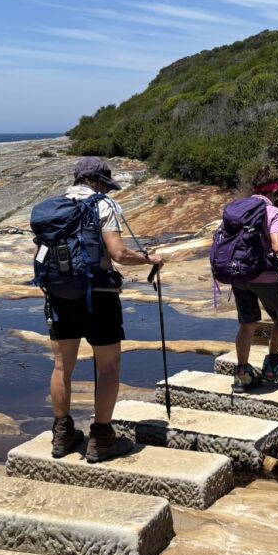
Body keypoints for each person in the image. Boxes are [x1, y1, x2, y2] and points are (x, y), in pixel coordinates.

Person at [38, 157, 163, 463]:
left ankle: (63, 433)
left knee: (61, 366)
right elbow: (118, 253)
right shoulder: (103, 205)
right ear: (97, 181)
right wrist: (149, 260)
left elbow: (41, 256)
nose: (108, 189)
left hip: (59, 295)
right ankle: (102, 437)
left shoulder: (54, 208)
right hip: (99, 296)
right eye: (106, 184)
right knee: (108, 366)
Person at [223, 166, 278, 391]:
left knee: (247, 324)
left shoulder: (237, 208)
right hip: (265, 275)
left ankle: (243, 375)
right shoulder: (273, 212)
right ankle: (272, 366)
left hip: (238, 274)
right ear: (275, 191)